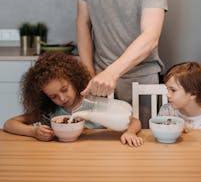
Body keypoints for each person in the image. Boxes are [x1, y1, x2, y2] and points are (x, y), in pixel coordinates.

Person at [3, 52, 143, 147]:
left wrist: (129, 132)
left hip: (97, 156)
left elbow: (134, 121)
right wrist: (33, 132)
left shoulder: (92, 102)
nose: (62, 98)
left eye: (64, 89)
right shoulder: (50, 111)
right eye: (53, 96)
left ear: (74, 81)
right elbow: (9, 124)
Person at [158, 62, 201, 129]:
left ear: (193, 93)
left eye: (173, 90)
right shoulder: (166, 111)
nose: (168, 95)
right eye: (168, 89)